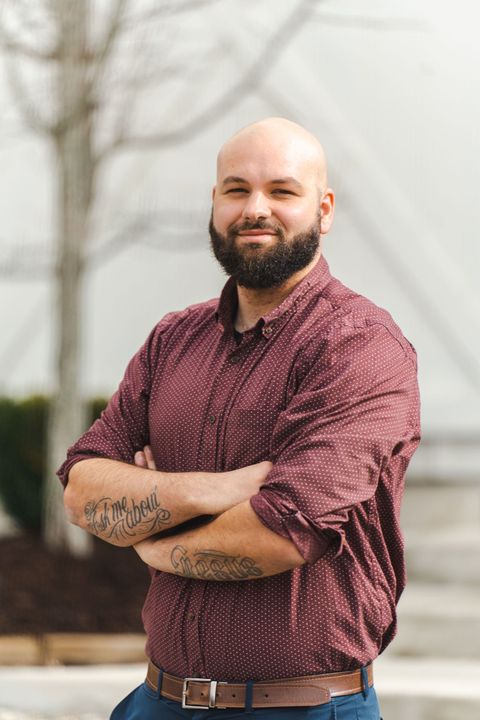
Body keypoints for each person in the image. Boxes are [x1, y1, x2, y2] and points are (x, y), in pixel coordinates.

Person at [58, 117, 420, 720]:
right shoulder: (172, 340)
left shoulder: (360, 347)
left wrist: (149, 535)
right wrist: (223, 489)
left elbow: (281, 533)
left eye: (282, 191)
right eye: (236, 189)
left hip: (302, 707)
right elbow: (80, 488)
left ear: (323, 210)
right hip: (158, 701)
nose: (255, 208)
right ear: (214, 203)